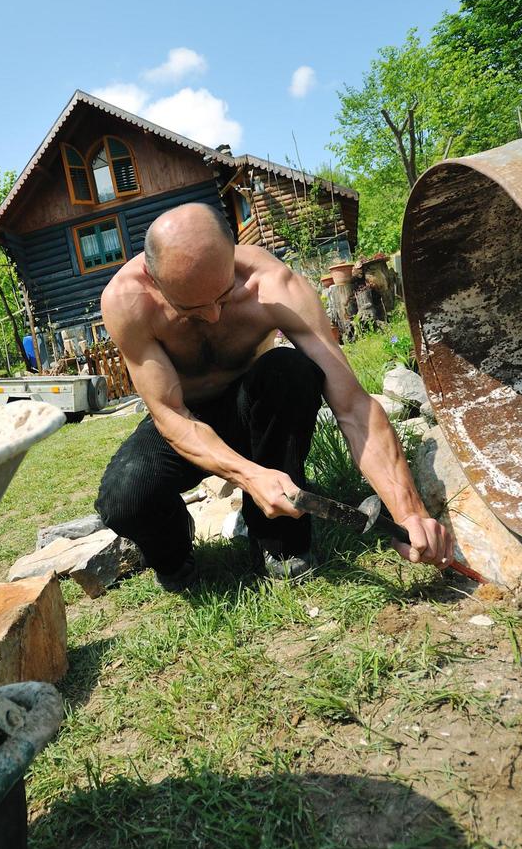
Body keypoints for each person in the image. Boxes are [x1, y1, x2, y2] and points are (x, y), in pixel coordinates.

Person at [94, 202, 452, 591]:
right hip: (187, 417)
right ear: (153, 277)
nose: (214, 316)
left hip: (259, 408)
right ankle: (175, 552)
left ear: (231, 255)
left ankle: (279, 542)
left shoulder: (273, 283)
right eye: (191, 308)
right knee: (124, 499)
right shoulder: (128, 301)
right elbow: (170, 414)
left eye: (223, 294)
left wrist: (409, 513)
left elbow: (353, 405)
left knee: (290, 370)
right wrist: (249, 476)